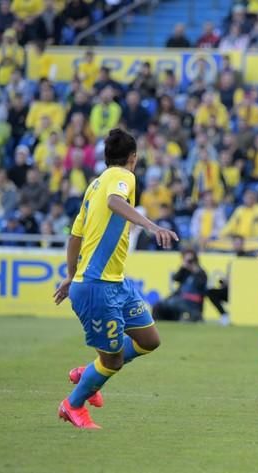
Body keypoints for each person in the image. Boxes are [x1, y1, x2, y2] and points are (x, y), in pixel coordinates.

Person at [53, 129, 178, 429]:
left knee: (149, 340)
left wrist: (71, 276)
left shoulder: (93, 184)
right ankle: (73, 405)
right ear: (133, 158)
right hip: (97, 287)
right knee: (113, 362)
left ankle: (89, 375)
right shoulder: (122, 177)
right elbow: (115, 202)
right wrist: (150, 225)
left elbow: (75, 236)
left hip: (114, 283)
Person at [152, 249, 208, 322]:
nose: (189, 263)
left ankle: (192, 317)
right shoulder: (185, 271)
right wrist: (183, 267)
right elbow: (175, 278)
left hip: (192, 303)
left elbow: (201, 286)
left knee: (174, 302)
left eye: (191, 260)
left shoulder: (201, 273)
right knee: (159, 305)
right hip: (180, 299)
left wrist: (195, 271)